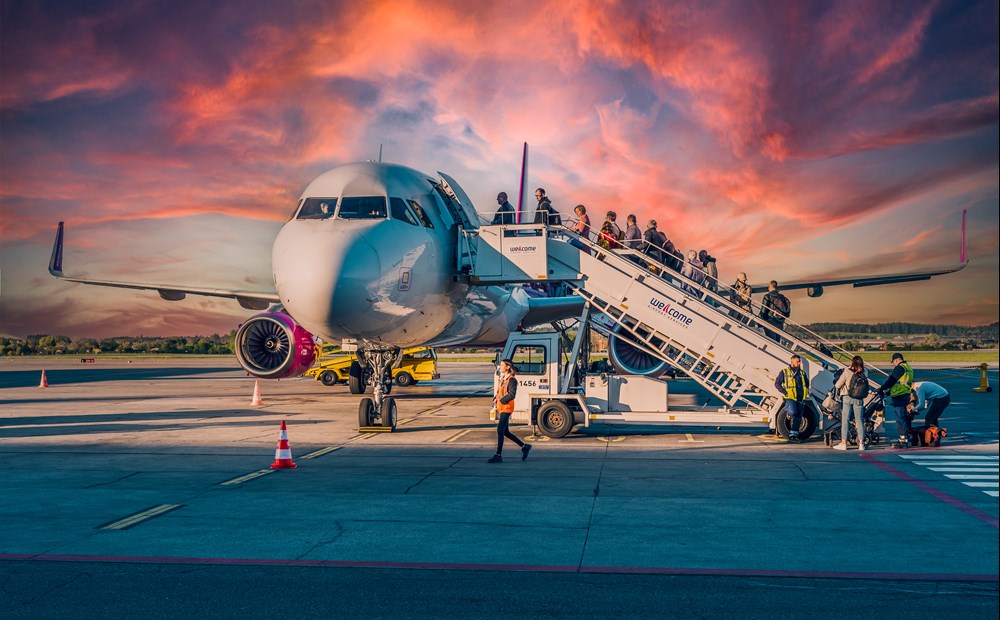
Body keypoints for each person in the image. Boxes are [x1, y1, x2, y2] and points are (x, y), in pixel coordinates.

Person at [488, 359, 531, 463]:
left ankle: (498, 455)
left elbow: (512, 394)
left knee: (499, 430)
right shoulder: (503, 379)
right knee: (505, 431)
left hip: (507, 408)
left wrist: (502, 401)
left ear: (507, 367)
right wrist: (495, 399)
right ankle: (524, 446)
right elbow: (501, 392)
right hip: (502, 407)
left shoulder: (511, 380)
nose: (500, 367)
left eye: (502, 365)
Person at [877, 353, 915, 448]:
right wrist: (889, 392)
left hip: (900, 396)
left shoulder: (900, 367)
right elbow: (902, 383)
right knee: (904, 418)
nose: (894, 364)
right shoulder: (908, 368)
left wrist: (882, 388)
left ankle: (903, 439)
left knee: (900, 418)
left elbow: (892, 380)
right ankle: (907, 437)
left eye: (893, 362)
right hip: (905, 394)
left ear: (897, 360)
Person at [833, 356, 868, 451]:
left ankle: (844, 443)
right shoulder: (865, 372)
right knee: (859, 420)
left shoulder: (847, 371)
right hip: (859, 398)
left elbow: (837, 385)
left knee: (845, 420)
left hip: (847, 396)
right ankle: (861, 444)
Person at [775, 353, 810, 443]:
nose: (799, 363)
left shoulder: (802, 373)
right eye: (797, 362)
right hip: (790, 397)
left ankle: (793, 435)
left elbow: (806, 383)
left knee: (798, 417)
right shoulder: (785, 372)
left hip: (800, 398)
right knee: (793, 412)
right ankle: (788, 414)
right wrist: (784, 392)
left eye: (799, 362)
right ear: (792, 362)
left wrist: (805, 392)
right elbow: (777, 383)